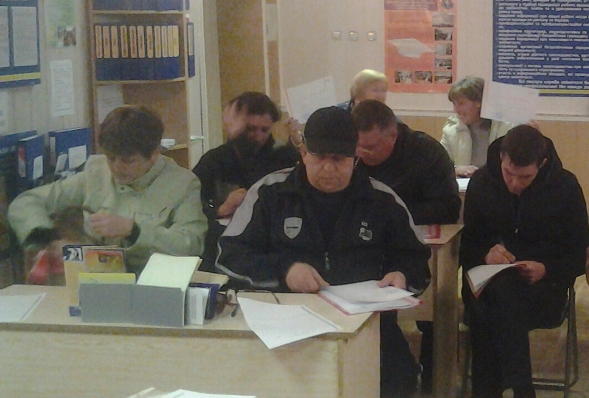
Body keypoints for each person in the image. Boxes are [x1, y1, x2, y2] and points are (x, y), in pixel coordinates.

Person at [217, 106, 431, 398]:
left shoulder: (383, 201)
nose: (328, 169)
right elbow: (230, 255)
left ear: (356, 159)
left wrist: (402, 275)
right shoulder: (269, 193)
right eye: (319, 157)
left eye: (339, 159)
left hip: (365, 324)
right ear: (303, 152)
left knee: (399, 378)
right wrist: (285, 270)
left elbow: (416, 259)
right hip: (285, 323)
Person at [460, 125, 589, 398]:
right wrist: (485, 254)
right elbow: (466, 245)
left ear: (542, 164)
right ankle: (522, 387)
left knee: (486, 312)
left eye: (525, 176)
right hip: (488, 284)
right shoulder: (482, 182)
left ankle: (491, 391)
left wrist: (546, 269)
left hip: (543, 291)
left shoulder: (565, 187)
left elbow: (579, 253)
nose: (515, 183)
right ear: (501, 157)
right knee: (498, 293)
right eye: (509, 173)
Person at [8, 105, 207, 275]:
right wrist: (48, 239)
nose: (117, 167)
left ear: (154, 154)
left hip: (155, 282)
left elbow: (191, 244)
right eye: (111, 158)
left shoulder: (183, 183)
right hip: (95, 281)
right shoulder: (96, 172)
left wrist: (134, 231)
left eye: (128, 161)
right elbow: (26, 202)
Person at [351, 99, 461, 393]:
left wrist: (392, 213)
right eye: (358, 146)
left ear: (393, 135)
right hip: (362, 248)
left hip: (418, 246)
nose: (362, 154)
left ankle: (432, 378)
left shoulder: (426, 153)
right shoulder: (350, 155)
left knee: (432, 317)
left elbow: (448, 207)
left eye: (371, 147)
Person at [193, 91, 299, 270]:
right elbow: (190, 205)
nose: (258, 136)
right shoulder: (214, 160)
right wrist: (220, 209)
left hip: (271, 244)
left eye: (264, 130)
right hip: (222, 243)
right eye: (250, 129)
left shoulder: (284, 158)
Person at [287, 69, 389, 147]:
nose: (381, 96)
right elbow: (318, 147)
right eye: (375, 90)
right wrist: (297, 139)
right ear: (358, 91)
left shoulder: (388, 119)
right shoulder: (336, 115)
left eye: (383, 90)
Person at [441, 76, 512, 177]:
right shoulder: (450, 130)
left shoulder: (506, 127)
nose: (456, 110)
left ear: (479, 102)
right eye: (454, 104)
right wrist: (456, 169)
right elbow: (440, 166)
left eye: (461, 103)